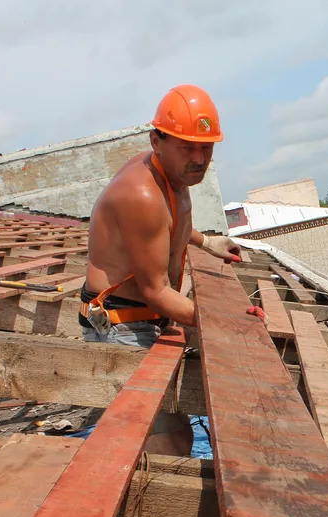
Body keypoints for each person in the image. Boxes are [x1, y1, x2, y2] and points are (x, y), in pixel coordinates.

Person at [80, 84, 243, 456]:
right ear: (157, 141)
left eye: (206, 147)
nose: (199, 159)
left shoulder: (168, 173)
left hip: (145, 313)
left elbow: (166, 227)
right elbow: (155, 290)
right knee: (168, 439)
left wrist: (207, 242)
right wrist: (224, 323)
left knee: (177, 423)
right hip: (120, 323)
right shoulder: (141, 194)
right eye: (187, 147)